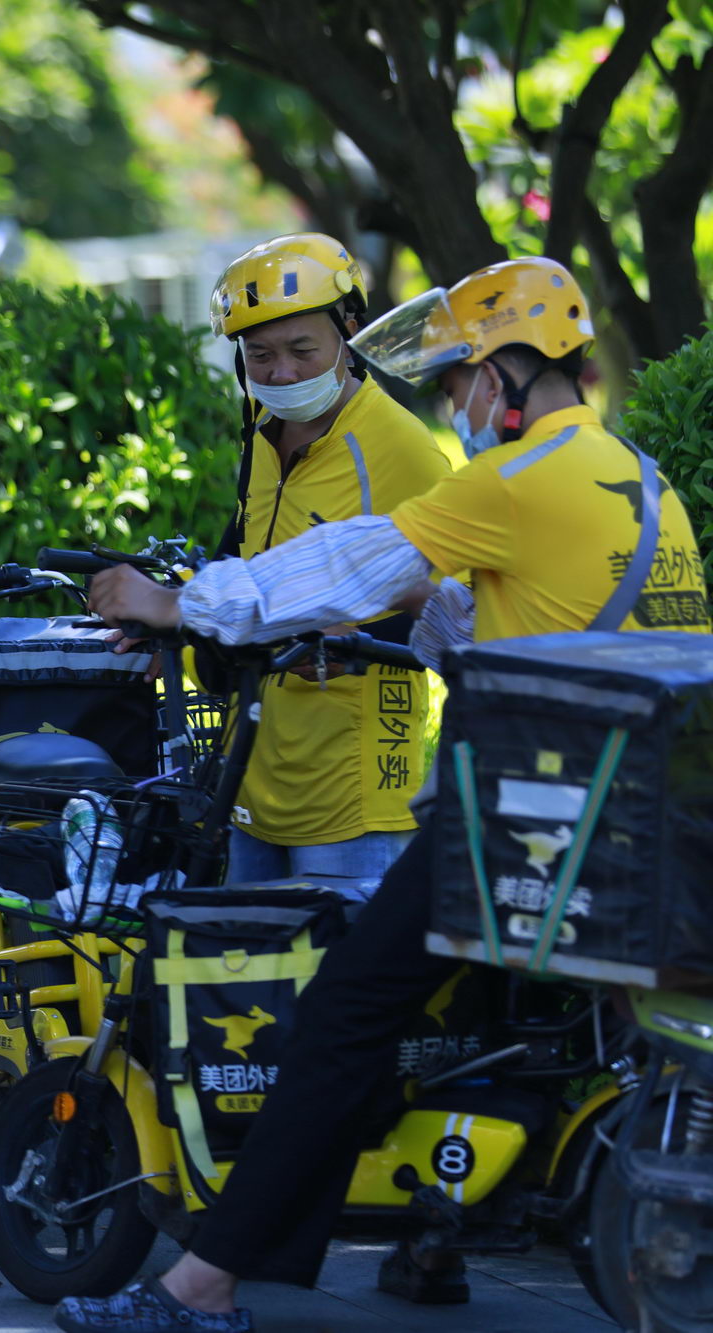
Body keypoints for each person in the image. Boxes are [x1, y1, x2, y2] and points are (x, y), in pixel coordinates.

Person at [63, 256, 709, 1332]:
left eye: (459, 380)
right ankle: (429, 1240)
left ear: (505, 373)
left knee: (342, 1018)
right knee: (480, 1021)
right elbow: (477, 623)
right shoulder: (636, 480)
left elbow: (351, 565)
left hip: (529, 817)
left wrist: (178, 602)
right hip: (640, 819)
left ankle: (202, 1282)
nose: (454, 406)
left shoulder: (513, 479)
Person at [203, 233, 451, 887]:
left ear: (350, 331)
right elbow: (244, 556)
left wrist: (363, 633)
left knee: (335, 984)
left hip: (354, 796)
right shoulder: (260, 435)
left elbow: (455, 608)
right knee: (244, 985)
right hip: (253, 776)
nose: (281, 373)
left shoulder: (401, 446)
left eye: (301, 350)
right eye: (260, 355)